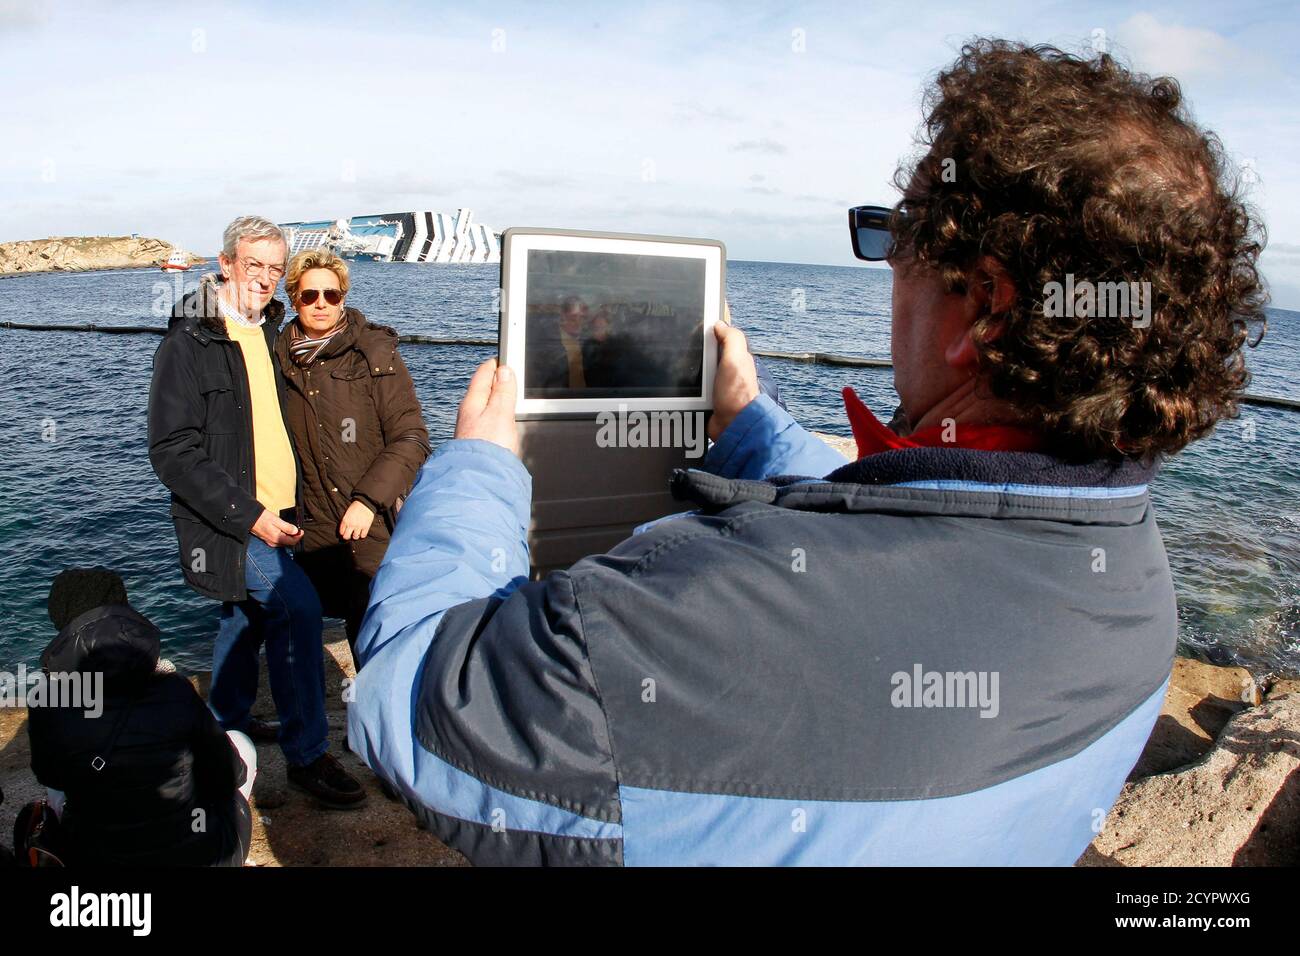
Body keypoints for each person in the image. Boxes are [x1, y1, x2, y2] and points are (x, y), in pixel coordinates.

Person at [346, 40, 1265, 865]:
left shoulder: (696, 614)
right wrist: (749, 423)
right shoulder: (1134, 578)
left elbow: (412, 700)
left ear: (985, 304)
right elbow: (918, 541)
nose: (886, 269)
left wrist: (480, 469)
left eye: (897, 236)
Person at [148, 216, 365, 809]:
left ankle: (224, 727)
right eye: (254, 266)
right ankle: (307, 755)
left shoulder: (270, 331)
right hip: (237, 521)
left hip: (284, 509)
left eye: (275, 267)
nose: (266, 279)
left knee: (243, 619)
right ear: (225, 264)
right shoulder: (190, 341)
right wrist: (250, 516)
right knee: (295, 610)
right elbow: (171, 449)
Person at [25, 568, 254, 866]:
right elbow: (231, 773)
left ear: (62, 622)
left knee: (60, 786)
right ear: (125, 612)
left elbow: (50, 775)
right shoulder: (175, 688)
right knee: (242, 743)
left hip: (99, 856)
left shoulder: (47, 703)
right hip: (193, 856)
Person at [273, 249, 430, 666]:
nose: (321, 303)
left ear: (343, 297)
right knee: (304, 624)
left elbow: (411, 437)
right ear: (293, 299)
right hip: (313, 529)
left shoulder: (374, 354)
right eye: (309, 296)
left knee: (383, 631)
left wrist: (367, 501)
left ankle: (391, 726)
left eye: (332, 294)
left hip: (371, 524)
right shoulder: (278, 358)